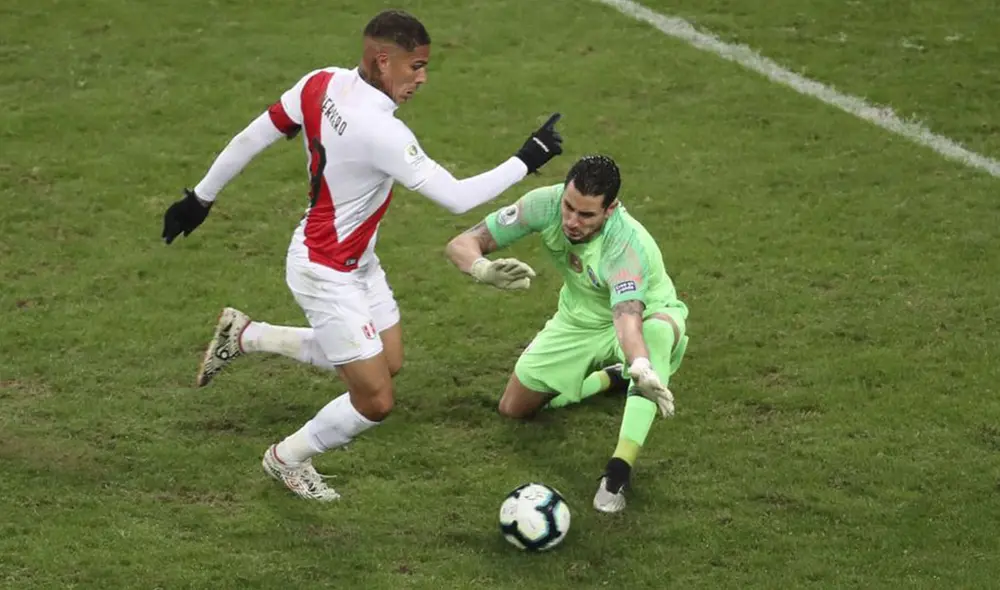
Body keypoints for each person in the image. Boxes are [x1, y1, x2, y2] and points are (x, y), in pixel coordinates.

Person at [160, 9, 564, 502]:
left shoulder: (320, 82)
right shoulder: (382, 131)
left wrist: (201, 197)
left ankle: (246, 335)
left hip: (357, 263)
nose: (422, 79)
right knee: (375, 400)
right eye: (414, 67)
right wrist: (527, 158)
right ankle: (287, 458)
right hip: (324, 271)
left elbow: (255, 134)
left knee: (387, 362)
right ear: (382, 59)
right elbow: (456, 198)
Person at [443, 154, 689, 514]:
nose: (572, 221)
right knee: (514, 408)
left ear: (610, 209)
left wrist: (640, 363)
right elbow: (460, 243)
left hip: (645, 315)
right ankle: (612, 379)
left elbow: (627, 320)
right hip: (578, 318)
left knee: (653, 338)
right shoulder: (544, 204)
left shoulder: (625, 246)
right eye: (569, 207)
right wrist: (483, 269)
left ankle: (618, 470)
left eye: (586, 215)